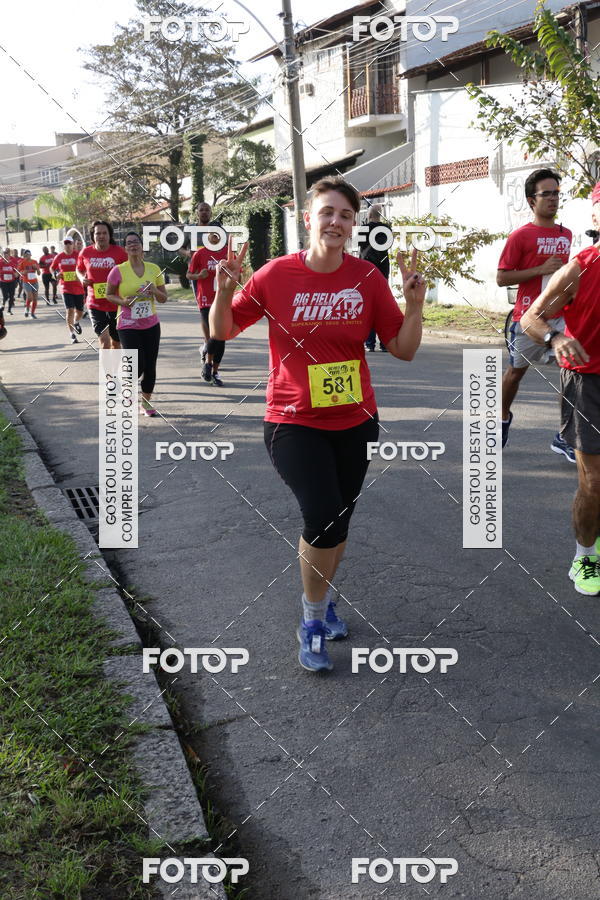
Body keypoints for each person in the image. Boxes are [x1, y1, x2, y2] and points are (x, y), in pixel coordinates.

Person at [210, 176, 425, 672]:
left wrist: (414, 306)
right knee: (323, 516)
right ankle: (310, 621)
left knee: (339, 520)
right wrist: (222, 293)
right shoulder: (274, 274)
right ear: (309, 218)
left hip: (356, 419)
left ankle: (323, 600)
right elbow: (222, 330)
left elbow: (404, 349)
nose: (336, 222)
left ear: (354, 225)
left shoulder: (367, 278)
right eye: (327, 212)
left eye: (346, 215)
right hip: (293, 420)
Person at [521, 183, 600, 595]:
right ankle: (585, 557)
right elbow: (530, 319)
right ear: (595, 217)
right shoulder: (579, 269)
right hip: (588, 380)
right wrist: (555, 338)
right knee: (594, 482)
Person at [498, 169, 573, 457]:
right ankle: (502, 417)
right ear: (532, 200)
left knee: (571, 372)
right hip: (527, 318)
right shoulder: (520, 237)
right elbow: (502, 278)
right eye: (547, 193)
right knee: (515, 374)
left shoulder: (566, 234)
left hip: (560, 318)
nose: (553, 198)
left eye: (556, 192)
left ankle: (565, 434)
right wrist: (539, 270)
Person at [106, 231, 167, 416]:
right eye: (129, 243)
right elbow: (109, 294)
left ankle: (146, 403)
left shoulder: (154, 269)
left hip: (151, 323)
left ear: (142, 246)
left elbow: (163, 298)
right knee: (136, 362)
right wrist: (123, 302)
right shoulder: (118, 270)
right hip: (127, 323)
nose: (133, 245)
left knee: (150, 365)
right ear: (125, 248)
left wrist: (154, 290)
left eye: (136, 242)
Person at [77, 221, 127, 349]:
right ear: (93, 236)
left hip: (116, 303)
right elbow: (79, 269)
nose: (101, 236)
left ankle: (114, 368)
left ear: (110, 235)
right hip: (95, 303)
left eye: (104, 233)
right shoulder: (85, 253)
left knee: (116, 342)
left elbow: (129, 271)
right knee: (104, 341)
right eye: (98, 233)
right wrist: (82, 277)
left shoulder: (120, 252)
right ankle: (108, 369)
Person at [188, 229, 228, 386]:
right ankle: (208, 363)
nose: (215, 236)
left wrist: (230, 273)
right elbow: (188, 275)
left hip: (223, 298)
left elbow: (238, 273)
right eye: (213, 233)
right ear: (208, 236)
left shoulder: (227, 253)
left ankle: (215, 372)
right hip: (206, 299)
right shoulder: (200, 253)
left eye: (218, 234)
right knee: (214, 333)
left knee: (222, 336)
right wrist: (199, 276)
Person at [358, 203, 391, 352]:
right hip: (383, 270)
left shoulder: (364, 229)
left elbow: (357, 243)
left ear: (369, 215)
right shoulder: (387, 229)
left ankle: (370, 343)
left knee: (369, 307)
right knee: (382, 306)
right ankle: (385, 344)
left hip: (366, 270)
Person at [51, 236, 85, 343]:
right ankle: (72, 334)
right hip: (65, 287)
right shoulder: (59, 256)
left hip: (79, 288)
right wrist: (55, 273)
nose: (67, 245)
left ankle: (76, 321)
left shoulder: (78, 255)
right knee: (70, 310)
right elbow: (52, 267)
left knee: (79, 312)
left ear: (73, 244)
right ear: (63, 244)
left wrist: (83, 275)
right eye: (65, 243)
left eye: (69, 243)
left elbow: (85, 267)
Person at [18, 251, 41, 318]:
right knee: (30, 297)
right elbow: (19, 272)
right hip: (26, 282)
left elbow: (39, 273)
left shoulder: (34, 261)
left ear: (30, 255)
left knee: (35, 299)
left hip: (34, 282)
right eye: (25, 255)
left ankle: (32, 313)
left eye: (28, 254)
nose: (27, 256)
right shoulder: (22, 262)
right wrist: (23, 272)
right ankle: (27, 308)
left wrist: (36, 268)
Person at [0, 248, 18, 315]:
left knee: (11, 296)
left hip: (11, 281)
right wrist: (7, 272)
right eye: (4, 254)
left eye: (7, 254)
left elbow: (16, 272)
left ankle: (9, 310)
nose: (6, 255)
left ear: (9, 255)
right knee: (5, 296)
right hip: (3, 282)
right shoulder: (0, 262)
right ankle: (3, 303)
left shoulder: (12, 262)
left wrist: (16, 275)